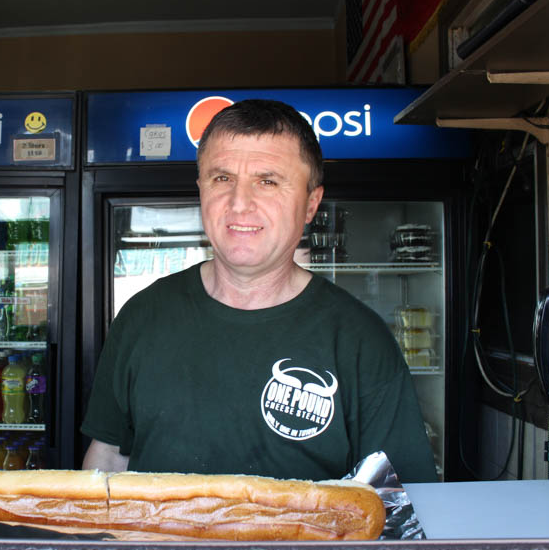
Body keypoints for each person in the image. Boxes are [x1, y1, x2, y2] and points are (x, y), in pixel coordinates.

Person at [81, 99, 438, 483]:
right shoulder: (143, 315)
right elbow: (109, 459)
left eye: (267, 181)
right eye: (222, 178)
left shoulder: (359, 339)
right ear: (201, 190)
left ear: (310, 204)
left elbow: (397, 499)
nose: (239, 203)